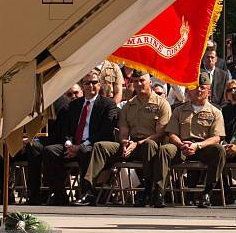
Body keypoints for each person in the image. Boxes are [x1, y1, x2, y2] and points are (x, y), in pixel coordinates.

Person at [74, 70, 171, 206]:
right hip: (131, 146)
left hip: (150, 146)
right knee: (100, 146)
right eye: (135, 81)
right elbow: (123, 130)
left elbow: (160, 134)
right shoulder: (128, 105)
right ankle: (89, 190)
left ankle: (148, 190)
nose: (138, 84)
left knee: (149, 145)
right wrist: (124, 141)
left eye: (142, 80)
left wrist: (137, 144)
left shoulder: (162, 104)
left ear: (150, 82)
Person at [42, 71, 117, 205]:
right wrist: (68, 144)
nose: (91, 86)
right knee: (50, 150)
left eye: (94, 82)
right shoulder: (74, 105)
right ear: (82, 86)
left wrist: (81, 146)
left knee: (85, 151)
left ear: (99, 85)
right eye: (87, 83)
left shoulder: (108, 105)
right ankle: (59, 194)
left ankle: (87, 193)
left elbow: (105, 132)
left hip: (92, 146)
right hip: (73, 145)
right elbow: (66, 129)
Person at [154, 73, 226, 208]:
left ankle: (207, 194)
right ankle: (159, 192)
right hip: (181, 146)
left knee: (219, 150)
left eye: (202, 88)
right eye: (195, 87)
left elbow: (217, 137)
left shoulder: (216, 112)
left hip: (203, 147)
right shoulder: (179, 110)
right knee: (164, 150)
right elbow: (171, 133)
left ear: (208, 91)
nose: (199, 90)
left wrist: (197, 145)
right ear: (188, 91)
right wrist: (181, 144)